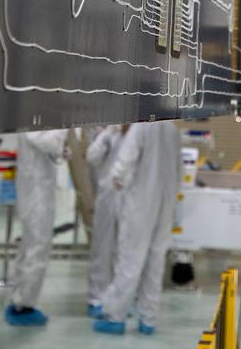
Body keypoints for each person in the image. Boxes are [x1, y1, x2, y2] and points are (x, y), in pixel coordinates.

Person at [93, 121, 182, 336]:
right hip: (165, 204)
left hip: (140, 204)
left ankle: (116, 316)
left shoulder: (141, 127)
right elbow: (180, 169)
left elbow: (123, 163)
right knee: (155, 263)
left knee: (129, 262)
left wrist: (116, 181)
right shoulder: (172, 130)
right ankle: (148, 320)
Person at [5, 128, 68, 327]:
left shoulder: (35, 118)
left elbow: (49, 145)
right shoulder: (33, 120)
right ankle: (24, 306)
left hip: (37, 190)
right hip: (36, 194)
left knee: (30, 246)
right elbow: (47, 141)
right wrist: (65, 129)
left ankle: (20, 299)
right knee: (37, 248)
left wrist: (61, 148)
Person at [86, 124, 124, 317]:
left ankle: (119, 298)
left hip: (129, 197)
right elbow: (92, 156)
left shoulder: (137, 131)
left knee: (123, 250)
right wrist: (107, 134)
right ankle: (96, 299)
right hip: (107, 194)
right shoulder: (106, 131)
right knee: (102, 248)